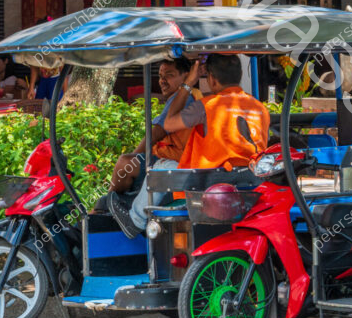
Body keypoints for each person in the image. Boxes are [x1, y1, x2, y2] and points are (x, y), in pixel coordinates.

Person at [104, 57, 208, 236]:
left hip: (176, 162)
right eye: (160, 75)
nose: (162, 80)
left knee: (125, 163)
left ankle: (107, 206)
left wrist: (134, 158)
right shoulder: (185, 97)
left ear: (186, 77)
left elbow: (157, 132)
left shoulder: (183, 97)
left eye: (169, 75)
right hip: (172, 158)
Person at [177, 54, 270, 172]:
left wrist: (188, 82)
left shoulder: (206, 106)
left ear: (212, 79)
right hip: (254, 177)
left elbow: (168, 124)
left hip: (211, 181)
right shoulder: (260, 108)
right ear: (240, 75)